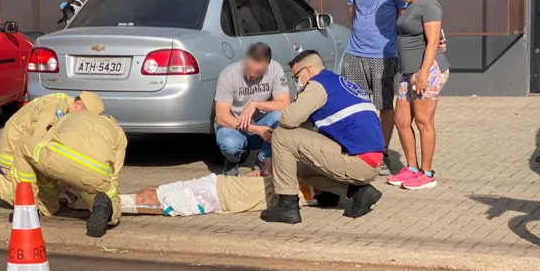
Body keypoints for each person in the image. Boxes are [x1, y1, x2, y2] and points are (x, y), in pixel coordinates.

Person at [260, 50, 385, 224]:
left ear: (309, 70)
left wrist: (297, 99)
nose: (297, 82)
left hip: (359, 161)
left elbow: (288, 119)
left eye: (297, 77)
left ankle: (287, 206)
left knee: (281, 135)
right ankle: (357, 192)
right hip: (370, 160)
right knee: (300, 167)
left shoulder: (317, 85)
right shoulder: (337, 83)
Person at [0, 110, 127, 237]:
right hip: (93, 174)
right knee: (107, 194)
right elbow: (114, 172)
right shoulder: (119, 134)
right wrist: (109, 191)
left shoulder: (72, 116)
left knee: (22, 143)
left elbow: (47, 139)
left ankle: (27, 207)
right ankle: (110, 213)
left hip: (57, 160)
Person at [341, 0, 407, 176]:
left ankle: (382, 152)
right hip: (354, 54)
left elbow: (406, 17)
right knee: (357, 106)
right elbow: (353, 14)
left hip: (384, 56)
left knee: (384, 107)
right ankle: (359, 152)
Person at [0, 91, 104, 215]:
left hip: (26, 152)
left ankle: (47, 193)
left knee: (51, 202)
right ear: (77, 105)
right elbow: (38, 145)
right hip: (17, 156)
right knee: (41, 205)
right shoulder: (56, 109)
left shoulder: (66, 109)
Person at [386, 0, 450, 190]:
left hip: (427, 70)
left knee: (423, 121)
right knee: (401, 120)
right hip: (407, 71)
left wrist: (423, 74)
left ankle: (427, 173)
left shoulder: (429, 4)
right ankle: (411, 168)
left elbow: (433, 42)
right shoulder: (411, 4)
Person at [214, 42, 290, 176]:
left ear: (268, 64)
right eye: (249, 68)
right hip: (233, 126)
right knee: (230, 144)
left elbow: (284, 104)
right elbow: (221, 117)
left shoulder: (275, 69)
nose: (252, 74)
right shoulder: (229, 74)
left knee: (281, 116)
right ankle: (232, 162)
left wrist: (256, 104)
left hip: (262, 123)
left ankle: (264, 160)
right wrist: (256, 129)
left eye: (258, 71)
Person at [116, 172, 319, 217]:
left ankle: (108, 206)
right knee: (152, 190)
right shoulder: (293, 180)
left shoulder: (299, 194)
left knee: (152, 199)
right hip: (215, 182)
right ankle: (106, 202)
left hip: (214, 196)